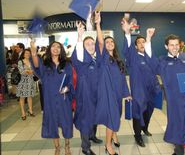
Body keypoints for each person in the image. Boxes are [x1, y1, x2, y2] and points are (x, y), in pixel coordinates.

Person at [95, 12, 132, 155]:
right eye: (107, 42)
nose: (109, 43)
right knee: (112, 118)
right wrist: (98, 24)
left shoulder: (118, 60)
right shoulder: (103, 58)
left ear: (114, 45)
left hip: (117, 94)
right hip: (107, 93)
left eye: (111, 42)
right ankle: (108, 145)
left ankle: (114, 135)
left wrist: (127, 93)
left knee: (116, 115)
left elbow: (122, 79)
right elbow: (99, 41)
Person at [30, 40, 74, 155]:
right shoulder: (45, 65)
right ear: (50, 49)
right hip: (50, 99)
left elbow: (70, 82)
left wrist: (67, 89)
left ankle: (67, 146)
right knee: (53, 122)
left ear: (61, 50)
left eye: (58, 47)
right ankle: (57, 148)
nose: (56, 48)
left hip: (63, 99)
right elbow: (35, 64)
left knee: (66, 123)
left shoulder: (67, 64)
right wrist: (33, 50)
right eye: (53, 46)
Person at [121, 19, 161, 147]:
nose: (142, 44)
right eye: (139, 42)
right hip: (139, 91)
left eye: (144, 42)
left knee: (148, 111)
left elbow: (157, 68)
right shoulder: (133, 56)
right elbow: (126, 50)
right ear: (136, 46)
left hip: (151, 90)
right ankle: (137, 135)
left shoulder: (151, 56)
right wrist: (127, 33)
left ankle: (145, 128)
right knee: (138, 112)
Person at [71, 21, 102, 155]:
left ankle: (92, 135)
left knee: (95, 116)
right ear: (83, 47)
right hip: (85, 96)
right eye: (87, 44)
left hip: (97, 94)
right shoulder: (81, 59)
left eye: (92, 44)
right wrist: (80, 36)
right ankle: (85, 147)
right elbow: (78, 51)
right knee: (85, 120)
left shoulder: (97, 59)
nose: (90, 46)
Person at [16, 49, 36, 120]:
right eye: (26, 53)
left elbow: (35, 70)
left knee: (30, 96)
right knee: (22, 97)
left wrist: (29, 71)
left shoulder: (32, 61)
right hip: (23, 82)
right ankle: (23, 113)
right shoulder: (20, 61)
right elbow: (22, 71)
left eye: (29, 53)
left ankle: (30, 111)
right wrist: (30, 71)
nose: (27, 54)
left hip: (31, 81)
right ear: (23, 54)